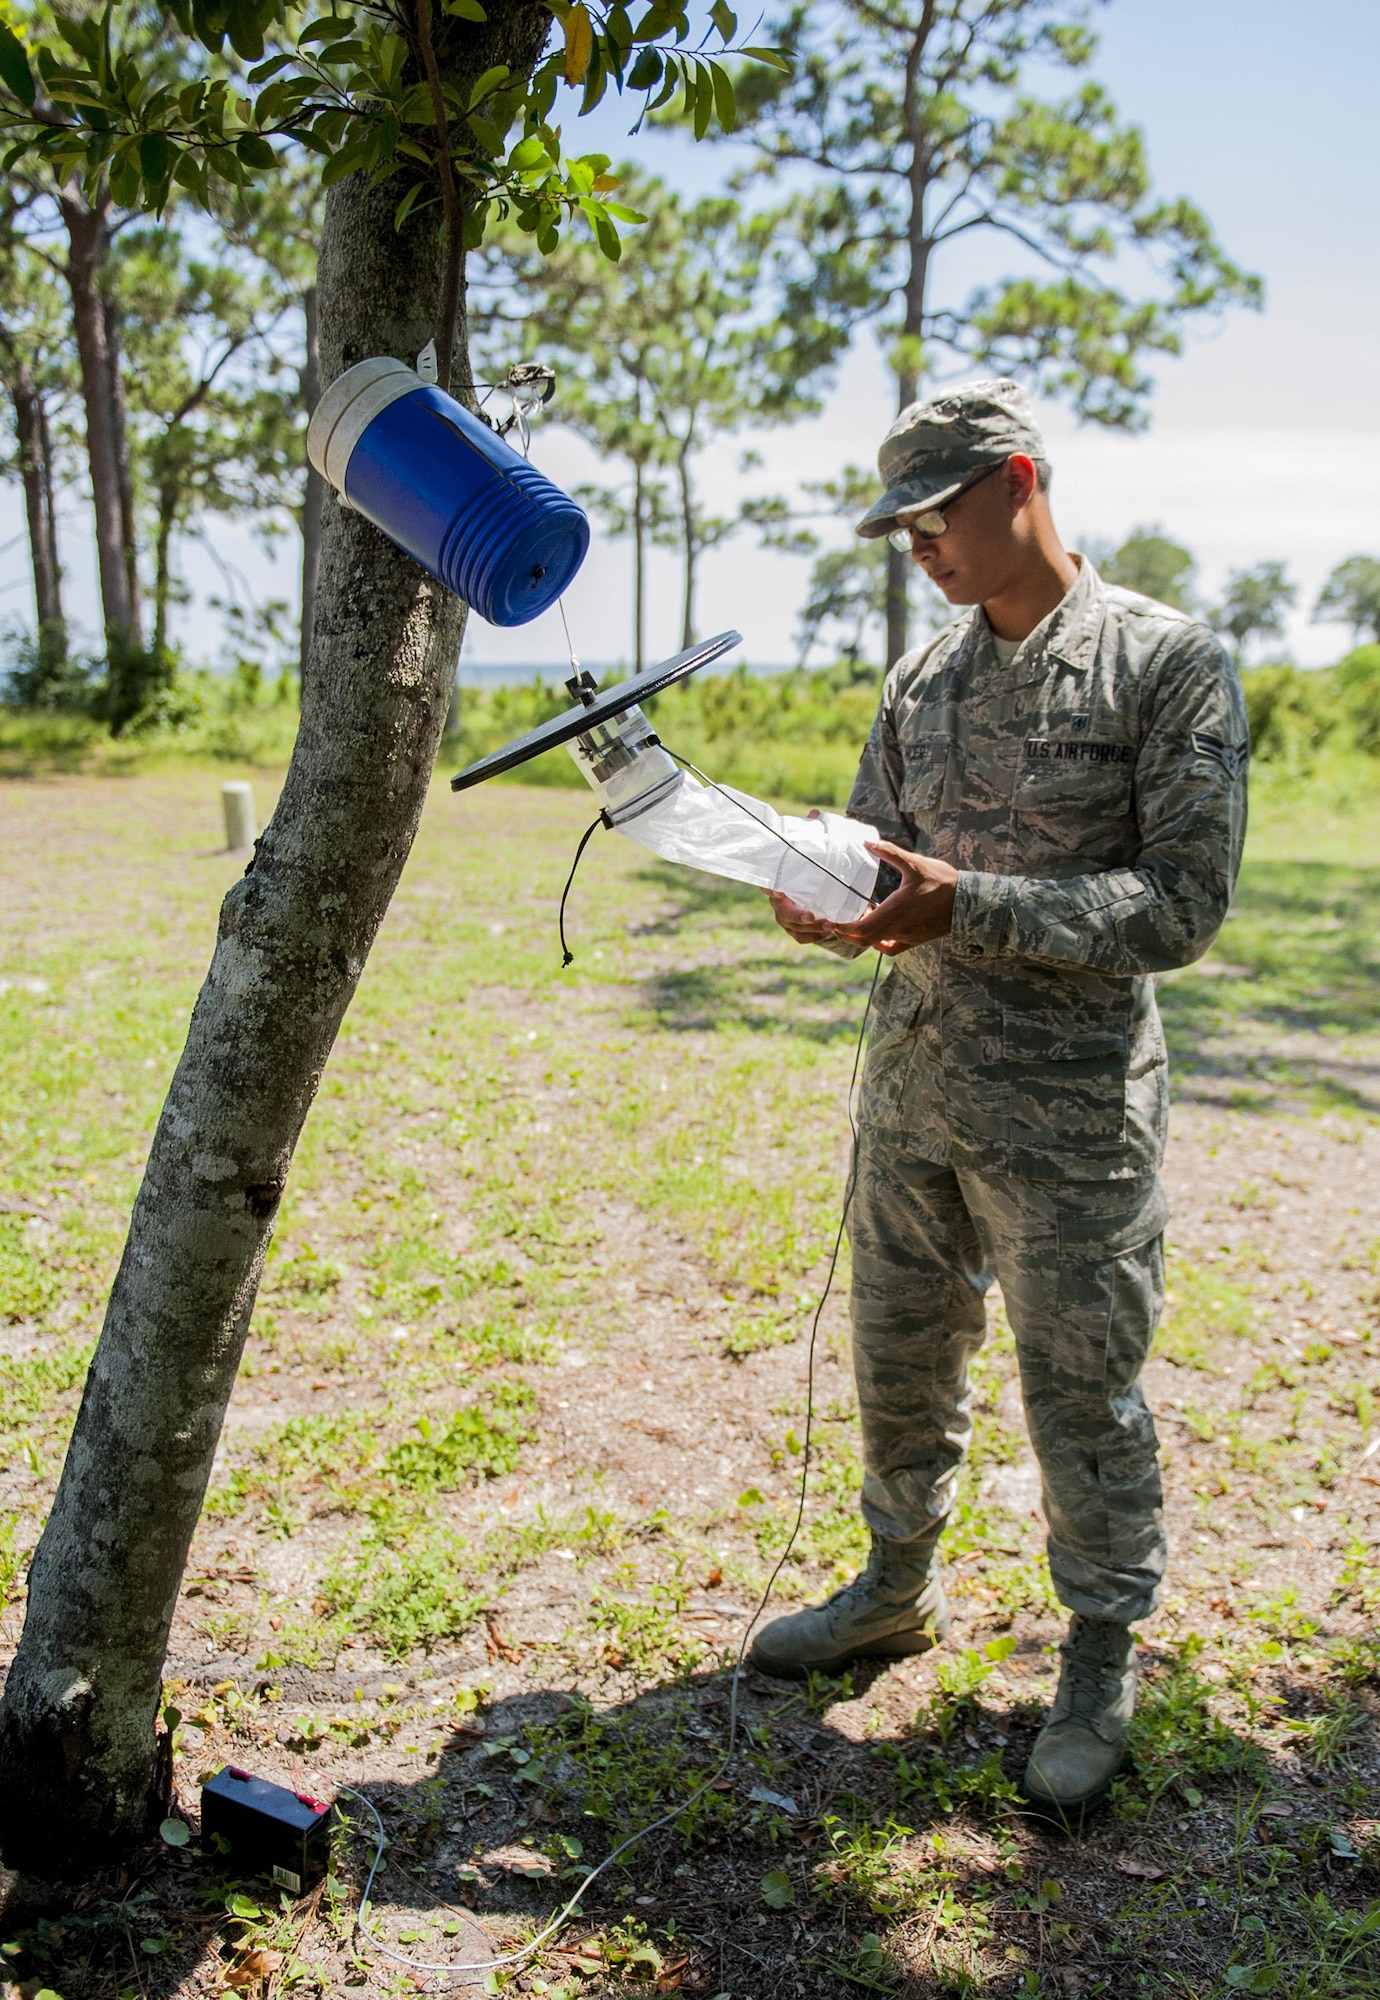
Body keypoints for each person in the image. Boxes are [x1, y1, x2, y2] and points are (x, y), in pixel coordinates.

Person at [749, 379, 1249, 1820]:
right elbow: (878, 849)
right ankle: (893, 1585)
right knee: (900, 1359)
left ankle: (1098, 1655)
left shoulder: (1167, 664)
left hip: (1073, 1119)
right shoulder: (921, 681)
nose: (919, 548)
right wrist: (834, 899)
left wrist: (972, 906)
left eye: (937, 515)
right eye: (897, 528)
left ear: (1020, 479)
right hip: (914, 1094)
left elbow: (1181, 907)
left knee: (1082, 1392)